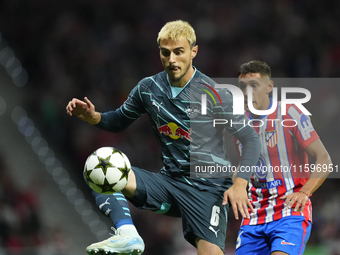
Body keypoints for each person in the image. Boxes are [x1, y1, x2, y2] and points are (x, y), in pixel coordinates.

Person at [66, 20, 261, 255]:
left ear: (193, 51)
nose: (171, 60)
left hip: (209, 190)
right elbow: (119, 120)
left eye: (179, 52)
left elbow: (250, 138)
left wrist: (240, 183)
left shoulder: (214, 93)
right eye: (165, 53)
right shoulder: (148, 88)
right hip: (169, 183)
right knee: (99, 167)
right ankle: (128, 235)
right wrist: (94, 117)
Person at [233, 60, 332, 255]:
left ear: (269, 86)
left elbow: (324, 159)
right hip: (254, 215)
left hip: (289, 212)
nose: (246, 91)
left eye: (254, 85)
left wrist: (304, 192)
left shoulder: (290, 112)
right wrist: (236, 185)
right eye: (242, 86)